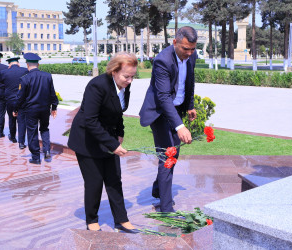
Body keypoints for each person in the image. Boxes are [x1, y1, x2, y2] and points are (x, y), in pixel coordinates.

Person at [68, 52, 139, 233]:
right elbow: (90, 120)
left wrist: (120, 133)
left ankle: (121, 219)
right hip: (87, 139)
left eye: (132, 76)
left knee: (114, 179)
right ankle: (92, 219)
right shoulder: (97, 86)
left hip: (107, 137)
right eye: (126, 76)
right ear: (114, 71)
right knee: (95, 181)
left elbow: (117, 112)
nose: (130, 80)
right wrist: (113, 145)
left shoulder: (124, 85)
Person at [139, 26, 198, 212]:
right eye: (185, 49)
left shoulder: (192, 56)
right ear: (175, 42)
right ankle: (165, 208)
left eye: (192, 49)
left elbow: (190, 80)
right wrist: (180, 126)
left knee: (174, 155)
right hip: (160, 112)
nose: (189, 53)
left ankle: (159, 188)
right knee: (168, 155)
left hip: (177, 109)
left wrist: (189, 105)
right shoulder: (162, 61)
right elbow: (163, 98)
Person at [14, 53, 58, 164]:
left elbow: (20, 97)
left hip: (31, 110)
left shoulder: (25, 79)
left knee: (32, 132)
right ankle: (47, 151)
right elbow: (52, 93)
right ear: (38, 65)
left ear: (27, 65)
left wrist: (15, 109)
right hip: (44, 109)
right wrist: (54, 107)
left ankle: (36, 157)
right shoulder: (47, 76)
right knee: (44, 128)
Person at [0, 57, 29, 148]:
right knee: (22, 120)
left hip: (10, 98)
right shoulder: (25, 70)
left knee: (11, 118)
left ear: (9, 65)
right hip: (22, 99)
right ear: (18, 63)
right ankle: (21, 142)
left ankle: (13, 137)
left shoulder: (4, 72)